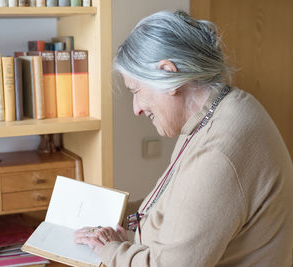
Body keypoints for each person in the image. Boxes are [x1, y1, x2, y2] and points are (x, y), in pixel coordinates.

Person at [73, 10, 293, 266]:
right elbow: (177, 205)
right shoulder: (216, 112)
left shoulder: (219, 151)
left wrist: (110, 250)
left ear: (168, 75)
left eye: (136, 91)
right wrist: (117, 217)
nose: (136, 108)